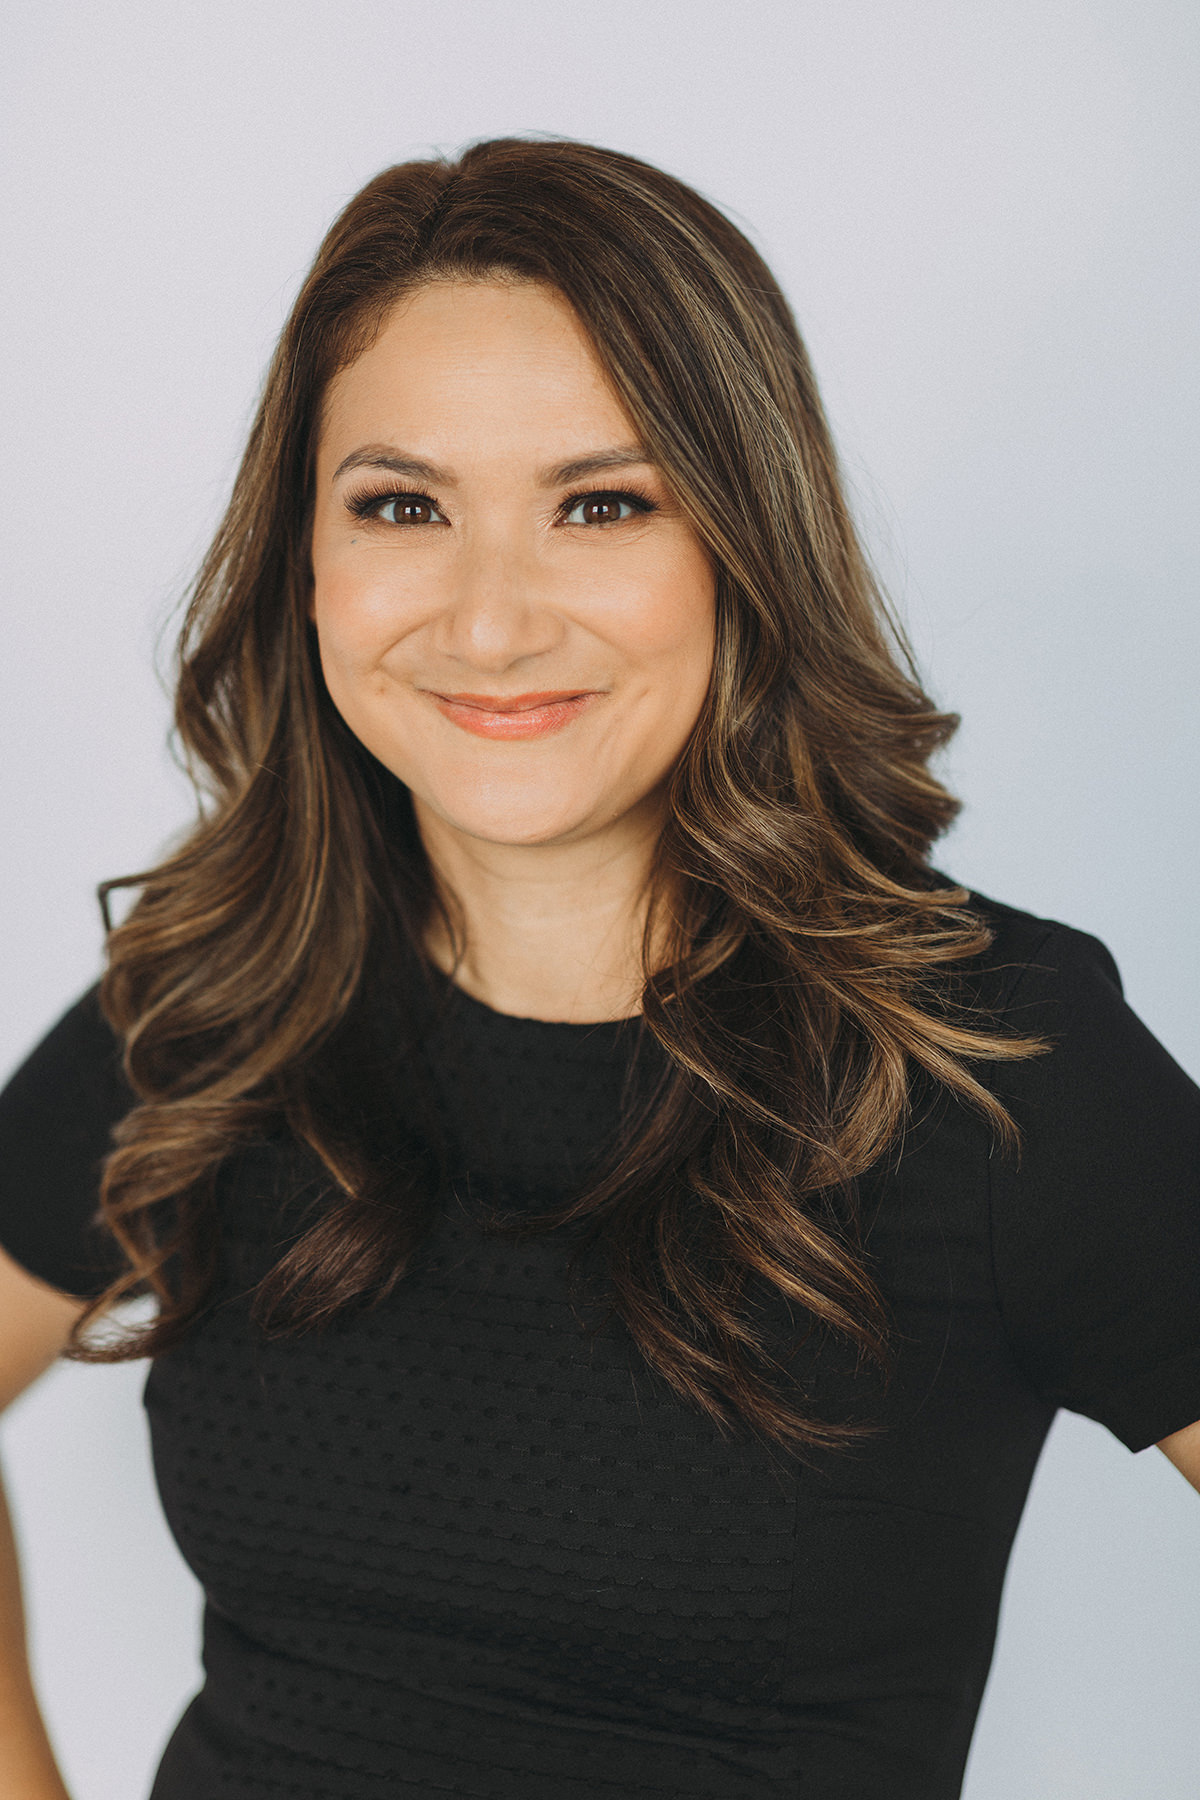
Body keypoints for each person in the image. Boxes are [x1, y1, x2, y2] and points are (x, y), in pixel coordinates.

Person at [0, 136, 1197, 1800]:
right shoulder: (218, 1005)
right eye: (402, 506)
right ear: (307, 558)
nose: (489, 622)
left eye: (603, 503)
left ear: (744, 547)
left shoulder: (988, 1061)